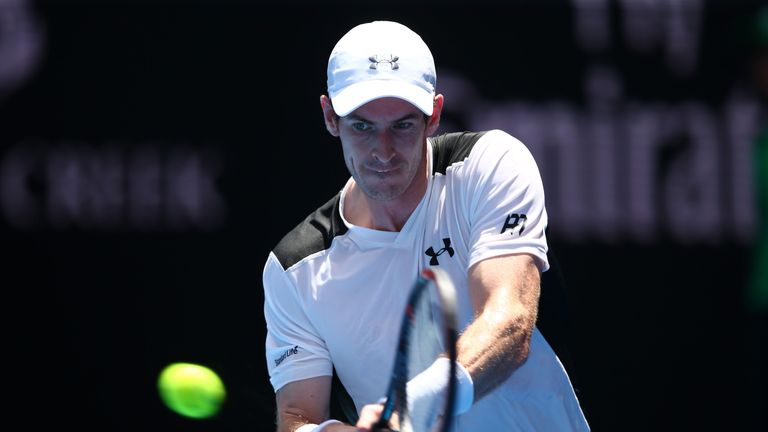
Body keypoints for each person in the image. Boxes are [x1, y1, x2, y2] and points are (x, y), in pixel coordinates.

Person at [262, 20, 590, 431]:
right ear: (330, 117)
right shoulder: (294, 269)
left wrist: (411, 404)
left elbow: (509, 321)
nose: (383, 151)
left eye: (402, 125)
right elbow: (297, 417)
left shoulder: (488, 167)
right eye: (362, 126)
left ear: (433, 115)